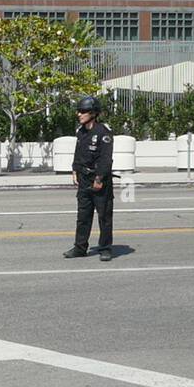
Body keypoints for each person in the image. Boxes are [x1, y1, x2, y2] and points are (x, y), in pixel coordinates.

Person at [64, 96, 115, 262]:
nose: (79, 114)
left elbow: (106, 159)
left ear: (93, 113)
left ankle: (105, 248)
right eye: (79, 111)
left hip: (99, 180)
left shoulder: (103, 133)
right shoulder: (81, 132)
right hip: (84, 179)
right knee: (83, 216)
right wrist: (74, 170)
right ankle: (80, 247)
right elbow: (78, 153)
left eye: (83, 111)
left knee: (104, 217)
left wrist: (99, 178)